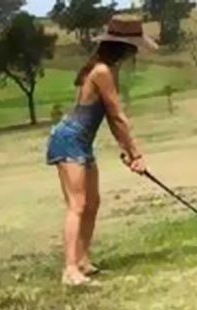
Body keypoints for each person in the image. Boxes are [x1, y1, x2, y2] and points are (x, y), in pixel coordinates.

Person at [46, 16, 158, 287]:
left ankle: (82, 261)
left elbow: (110, 117)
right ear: (124, 47)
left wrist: (127, 150)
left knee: (92, 203)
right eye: (134, 47)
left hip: (82, 142)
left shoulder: (108, 69)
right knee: (77, 205)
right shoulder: (101, 71)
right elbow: (117, 115)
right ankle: (70, 270)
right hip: (69, 139)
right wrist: (136, 155)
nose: (135, 52)